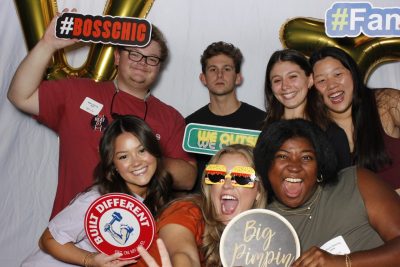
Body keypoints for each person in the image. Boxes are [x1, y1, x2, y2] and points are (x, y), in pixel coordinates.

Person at [7, 10, 196, 218]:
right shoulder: (78, 93)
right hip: (70, 232)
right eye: (134, 53)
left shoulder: (169, 117)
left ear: (159, 67)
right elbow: (20, 96)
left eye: (152, 59)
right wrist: (47, 44)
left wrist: (140, 158)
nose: (142, 62)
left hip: (135, 233)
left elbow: (188, 178)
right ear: (117, 56)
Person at [21, 115, 173, 266]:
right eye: (124, 156)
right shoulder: (96, 200)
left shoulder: (155, 200)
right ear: (113, 165)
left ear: (154, 151)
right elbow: (47, 240)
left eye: (142, 150)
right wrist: (89, 260)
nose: (136, 162)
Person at [254, 119, 400, 266]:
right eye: (283, 156)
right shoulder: (263, 227)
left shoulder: (355, 182)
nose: (294, 167)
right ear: (267, 165)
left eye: (306, 157)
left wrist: (342, 262)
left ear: (319, 166)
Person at [156, 144, 268, 267]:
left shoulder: (262, 240)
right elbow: (182, 254)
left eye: (242, 178)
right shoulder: (186, 210)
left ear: (258, 191)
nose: (227, 185)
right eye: (217, 175)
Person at [309, 46, 400, 192]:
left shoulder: (386, 102)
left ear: (352, 73)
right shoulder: (315, 131)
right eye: (321, 81)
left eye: (338, 74)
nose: (332, 85)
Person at [186, 41, 266, 192]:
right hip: (202, 207)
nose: (219, 75)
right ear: (203, 78)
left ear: (237, 78)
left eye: (227, 69)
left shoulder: (262, 122)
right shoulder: (190, 126)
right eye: (213, 69)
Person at [263, 49, 351, 170]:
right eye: (277, 80)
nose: (285, 86)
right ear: (271, 87)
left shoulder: (332, 134)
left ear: (310, 80)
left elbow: (344, 184)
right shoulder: (264, 131)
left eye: (293, 77)